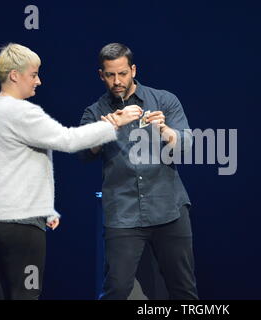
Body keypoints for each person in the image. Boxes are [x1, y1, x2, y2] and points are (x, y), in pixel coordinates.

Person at [0, 43, 141, 300]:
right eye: (33, 75)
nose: (38, 81)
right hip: (20, 221)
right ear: (14, 75)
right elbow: (68, 140)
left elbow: (12, 168)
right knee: (27, 293)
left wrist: (44, 209)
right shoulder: (20, 112)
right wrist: (115, 122)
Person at [79, 43, 198, 300]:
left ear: (133, 70)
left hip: (169, 208)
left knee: (183, 289)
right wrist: (110, 127)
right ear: (101, 75)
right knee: (117, 289)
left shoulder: (164, 100)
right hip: (123, 214)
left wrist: (166, 132)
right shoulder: (96, 112)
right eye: (110, 75)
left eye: (122, 73)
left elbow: (188, 145)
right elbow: (82, 150)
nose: (117, 81)